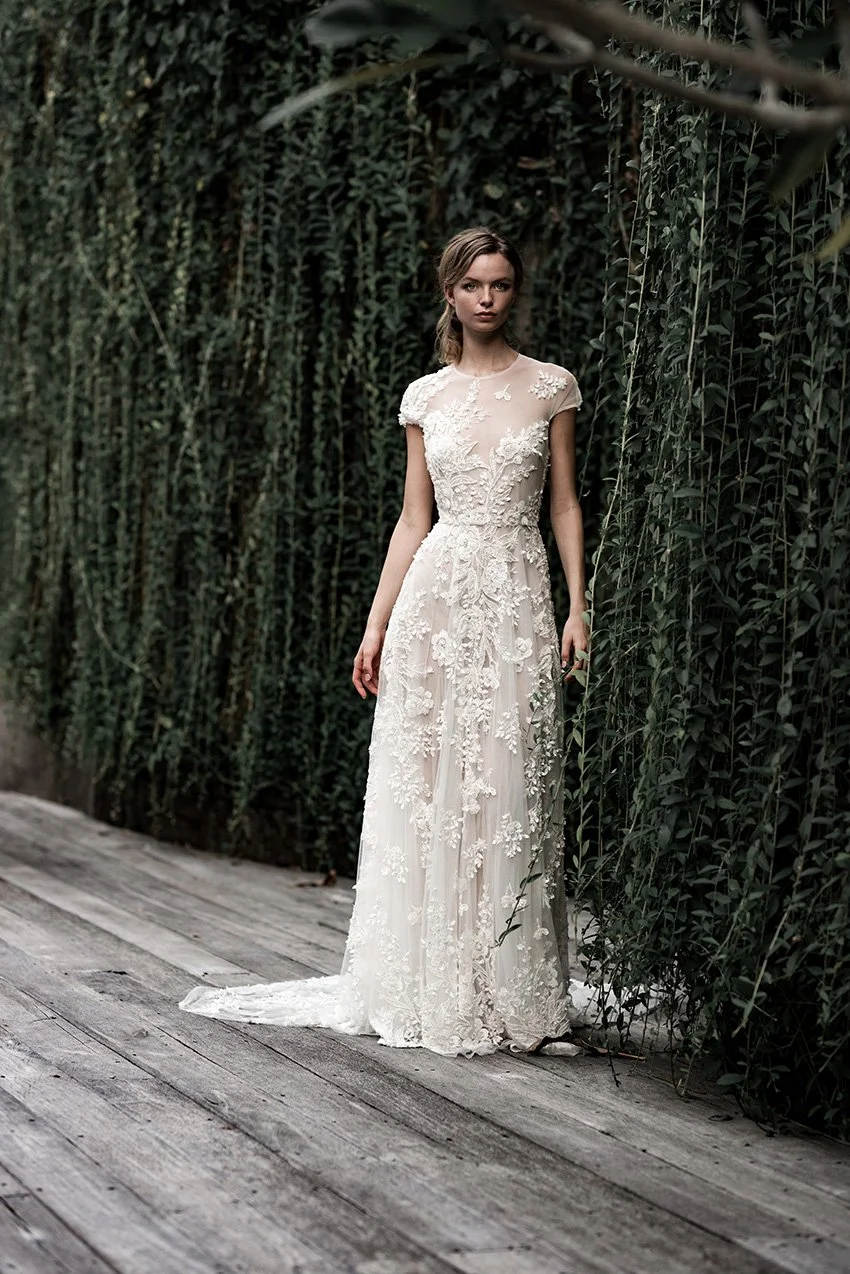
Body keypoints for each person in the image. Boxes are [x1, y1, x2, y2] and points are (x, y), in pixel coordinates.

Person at [179, 225, 590, 1057]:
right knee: (430, 788)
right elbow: (412, 519)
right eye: (472, 285)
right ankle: (428, 981)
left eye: (500, 283)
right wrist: (375, 625)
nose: (486, 298)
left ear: (515, 291)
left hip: (516, 598)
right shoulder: (425, 397)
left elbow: (563, 505)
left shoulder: (552, 386)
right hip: (434, 604)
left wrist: (579, 606)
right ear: (450, 294)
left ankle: (512, 989)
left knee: (513, 781)